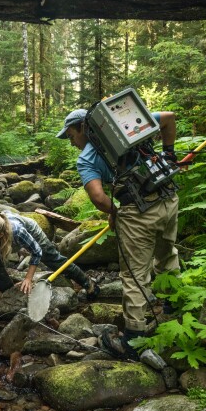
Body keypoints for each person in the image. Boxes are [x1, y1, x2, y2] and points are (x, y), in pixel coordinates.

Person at [57, 107, 179, 362]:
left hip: (138, 212)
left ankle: (133, 341)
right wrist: (169, 154)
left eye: (71, 136)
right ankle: (173, 305)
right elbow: (168, 118)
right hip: (169, 198)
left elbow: (98, 197)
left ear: (83, 127)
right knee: (167, 252)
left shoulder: (87, 158)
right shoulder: (126, 126)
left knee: (134, 275)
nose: (72, 143)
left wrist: (115, 212)